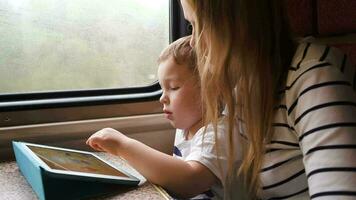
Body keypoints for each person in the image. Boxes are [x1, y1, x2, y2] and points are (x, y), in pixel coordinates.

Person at [180, 0, 356, 199]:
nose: (193, 42)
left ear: (234, 23)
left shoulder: (314, 80)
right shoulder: (247, 86)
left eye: (197, 25)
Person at [86, 36, 241, 199]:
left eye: (173, 87)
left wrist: (123, 146)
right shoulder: (185, 129)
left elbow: (191, 181)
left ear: (211, 89)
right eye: (161, 89)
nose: (162, 98)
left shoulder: (220, 134)